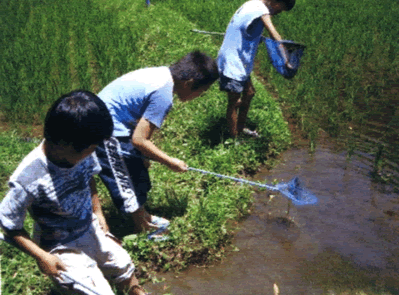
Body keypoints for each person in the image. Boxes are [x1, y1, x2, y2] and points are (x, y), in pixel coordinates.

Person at [0, 90, 150, 295]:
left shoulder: (83, 151)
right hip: (58, 244)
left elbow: (89, 178)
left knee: (122, 263)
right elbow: (9, 226)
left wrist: (98, 212)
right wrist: (42, 256)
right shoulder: (28, 178)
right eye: (89, 149)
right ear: (64, 144)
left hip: (88, 226)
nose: (91, 153)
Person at [96, 51, 219, 237]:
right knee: (125, 181)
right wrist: (170, 161)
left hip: (113, 123)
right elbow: (139, 140)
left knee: (139, 170)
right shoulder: (163, 95)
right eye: (202, 91)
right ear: (189, 83)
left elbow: (139, 133)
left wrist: (145, 156)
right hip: (104, 131)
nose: (199, 96)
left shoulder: (161, 75)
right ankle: (142, 229)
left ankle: (143, 216)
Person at [217, 0, 296, 137]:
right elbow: (275, 35)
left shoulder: (252, 3)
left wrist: (255, 37)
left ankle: (240, 128)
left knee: (249, 93)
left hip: (239, 61)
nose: (277, 13)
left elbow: (244, 27)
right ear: (277, 2)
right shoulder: (262, 10)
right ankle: (234, 140)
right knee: (234, 101)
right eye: (280, 9)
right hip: (232, 62)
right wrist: (286, 59)